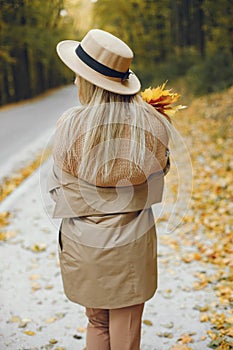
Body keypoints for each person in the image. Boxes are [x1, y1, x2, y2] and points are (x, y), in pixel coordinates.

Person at [48, 29, 170, 350]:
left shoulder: (69, 127)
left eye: (79, 76)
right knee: (125, 327)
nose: (76, 82)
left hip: (83, 246)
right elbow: (160, 171)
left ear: (89, 82)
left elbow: (58, 185)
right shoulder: (153, 126)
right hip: (132, 247)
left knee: (97, 323)